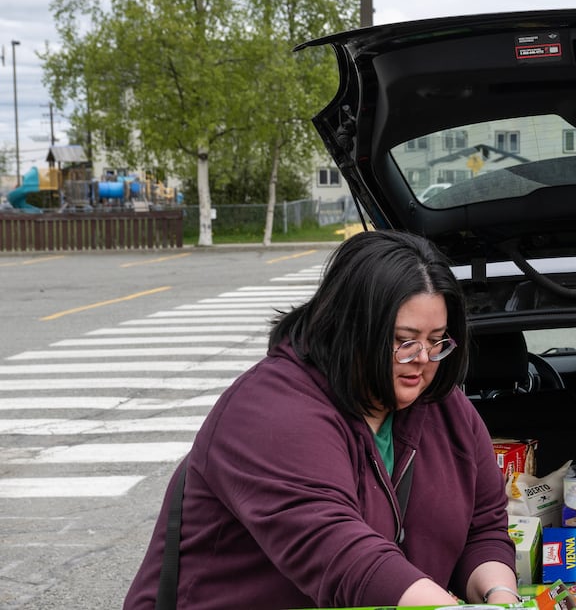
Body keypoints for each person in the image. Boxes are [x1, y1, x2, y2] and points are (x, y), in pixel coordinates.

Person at [124, 230, 520, 609]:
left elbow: (482, 527)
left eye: (437, 340)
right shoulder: (270, 411)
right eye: (403, 340)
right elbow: (338, 551)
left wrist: (501, 595)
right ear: (351, 329)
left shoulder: (442, 406)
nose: (421, 357)